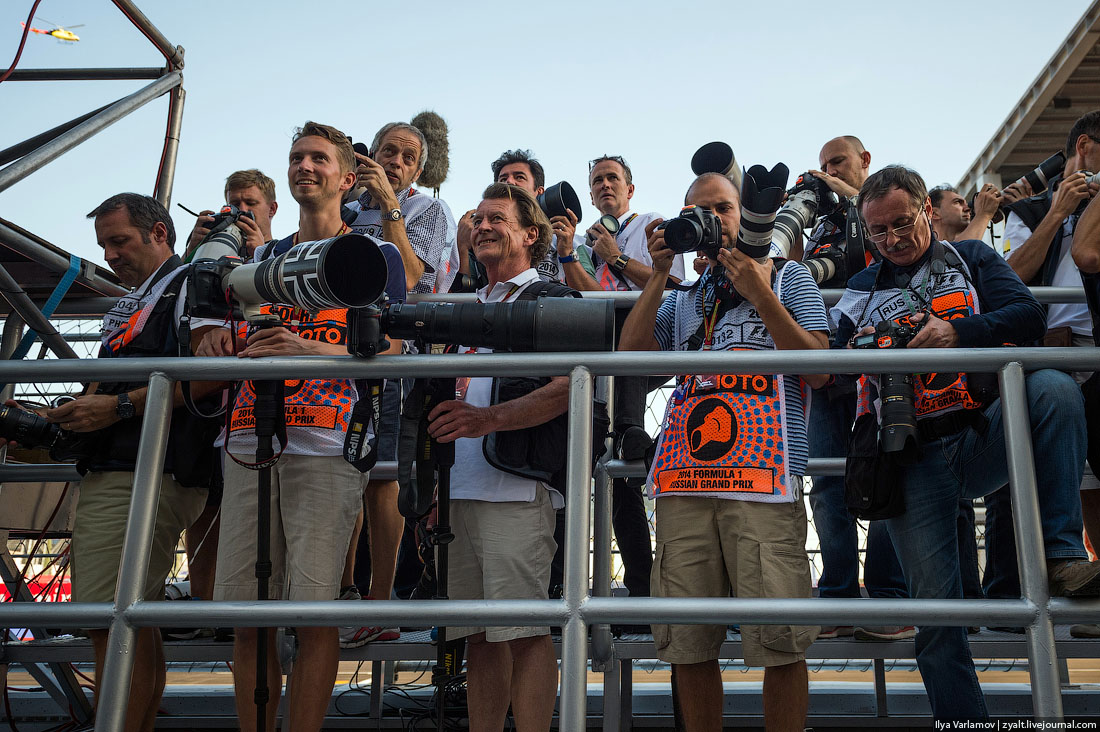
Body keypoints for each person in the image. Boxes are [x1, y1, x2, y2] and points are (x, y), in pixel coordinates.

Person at [833, 164, 1100, 721]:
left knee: (1053, 386)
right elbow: (829, 369)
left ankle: (1062, 552)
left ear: (927, 212)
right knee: (937, 623)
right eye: (878, 231)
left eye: (903, 223)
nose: (893, 239)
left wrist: (958, 333)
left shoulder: (972, 259)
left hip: (980, 431)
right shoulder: (858, 288)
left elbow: (1027, 315)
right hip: (910, 456)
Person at [198, 121, 406, 732]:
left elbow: (395, 350)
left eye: (318, 158)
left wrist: (304, 351)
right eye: (296, 157)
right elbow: (221, 331)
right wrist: (217, 339)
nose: (304, 166)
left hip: (327, 442)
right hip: (246, 439)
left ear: (346, 177)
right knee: (247, 617)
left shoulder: (378, 254)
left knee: (315, 613)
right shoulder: (260, 257)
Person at [1, 193, 222, 732]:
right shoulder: (138, 299)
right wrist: (58, 420)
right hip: (123, 468)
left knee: (111, 621)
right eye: (103, 245)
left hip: (150, 472)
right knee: (126, 622)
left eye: (120, 241)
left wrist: (116, 406)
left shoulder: (191, 282)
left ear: (160, 233)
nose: (111, 254)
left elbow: (207, 372)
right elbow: (110, 390)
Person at [620, 172, 825, 732]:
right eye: (700, 211)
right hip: (685, 485)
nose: (713, 221)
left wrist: (761, 294)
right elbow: (630, 353)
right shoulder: (688, 296)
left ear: (746, 214)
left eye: (723, 209)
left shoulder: (791, 277)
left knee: (779, 639)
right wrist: (660, 273)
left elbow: (823, 368)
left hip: (767, 481)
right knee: (686, 642)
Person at [428, 182, 568, 731]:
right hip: (458, 490)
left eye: (498, 219)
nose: (483, 226)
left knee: (526, 631)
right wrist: (435, 491)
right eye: (478, 218)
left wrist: (489, 421)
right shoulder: (467, 308)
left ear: (531, 235)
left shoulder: (552, 300)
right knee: (478, 635)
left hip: (516, 488)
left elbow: (573, 388)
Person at [988, 111, 1100, 635]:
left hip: (1092, 357)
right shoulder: (1030, 210)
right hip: (1048, 359)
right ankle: (1036, 580)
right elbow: (1006, 280)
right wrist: (1058, 213)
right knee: (1046, 474)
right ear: (1085, 146)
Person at [341, 121, 451, 641]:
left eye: (409, 157)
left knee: (381, 477)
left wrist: (389, 206)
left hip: (389, 355)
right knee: (337, 471)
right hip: (328, 351)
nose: (397, 161)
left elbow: (409, 276)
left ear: (419, 169)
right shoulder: (344, 204)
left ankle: (380, 604)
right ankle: (342, 593)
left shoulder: (427, 209)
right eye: (389, 151)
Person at [801, 136, 911, 640]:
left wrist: (846, 193)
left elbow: (894, 256)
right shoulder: (815, 219)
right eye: (821, 165)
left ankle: (888, 596)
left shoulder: (888, 206)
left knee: (890, 470)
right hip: (828, 359)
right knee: (825, 481)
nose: (825, 173)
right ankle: (839, 595)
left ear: (864, 161)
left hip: (882, 356)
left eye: (836, 162)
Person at [442, 149, 588, 291]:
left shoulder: (572, 241)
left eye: (519, 177)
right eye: (503, 179)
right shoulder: (481, 234)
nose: (509, 182)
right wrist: (462, 247)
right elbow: (463, 295)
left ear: (539, 191)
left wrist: (567, 254)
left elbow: (595, 304)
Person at [183, 168, 279, 259]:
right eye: (235, 205)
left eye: (250, 203)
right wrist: (192, 251)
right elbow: (171, 276)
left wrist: (261, 254)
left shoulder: (283, 252)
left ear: (272, 209)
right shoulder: (215, 250)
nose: (243, 210)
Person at [928, 183, 1001, 244]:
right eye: (957, 202)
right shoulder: (925, 252)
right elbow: (956, 254)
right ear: (934, 213)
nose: (967, 208)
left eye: (966, 204)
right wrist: (984, 214)